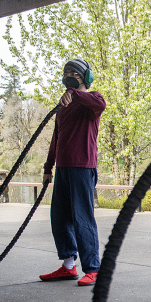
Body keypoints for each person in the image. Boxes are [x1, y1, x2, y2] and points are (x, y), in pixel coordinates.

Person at [39, 58, 107, 287]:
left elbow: (101, 104)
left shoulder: (91, 101)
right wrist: (48, 167)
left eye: (75, 73)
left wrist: (75, 94)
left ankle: (93, 269)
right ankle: (68, 266)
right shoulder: (62, 108)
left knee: (82, 219)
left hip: (82, 167)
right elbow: (55, 139)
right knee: (59, 218)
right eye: (67, 72)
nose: (69, 76)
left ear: (85, 77)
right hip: (63, 169)